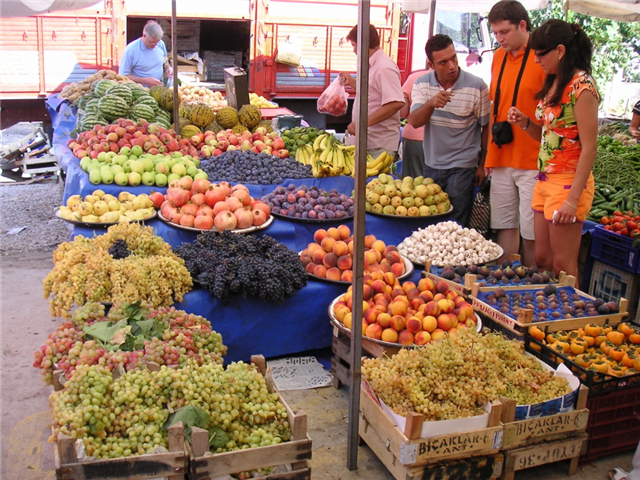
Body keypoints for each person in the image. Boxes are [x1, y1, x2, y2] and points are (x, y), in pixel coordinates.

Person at [507, 19, 599, 281]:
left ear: (560, 51)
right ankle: (548, 314)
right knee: (543, 259)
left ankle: (570, 320)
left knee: (563, 265)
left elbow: (590, 148)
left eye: (540, 53)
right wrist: (525, 122)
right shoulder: (555, 82)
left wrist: (572, 200)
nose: (536, 60)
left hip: (568, 184)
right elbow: (550, 136)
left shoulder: (583, 86)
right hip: (544, 180)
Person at [486, 0, 546, 266]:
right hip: (500, 156)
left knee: (532, 234)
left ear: (523, 25)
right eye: (495, 33)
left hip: (533, 159)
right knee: (505, 226)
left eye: (505, 32)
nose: (499, 39)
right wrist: (487, 155)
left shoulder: (542, 56)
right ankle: (504, 284)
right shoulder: (498, 56)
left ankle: (533, 285)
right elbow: (493, 107)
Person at [409, 34, 491, 226]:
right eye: (443, 62)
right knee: (431, 222)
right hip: (432, 164)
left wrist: (481, 165)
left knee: (455, 224)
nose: (452, 66)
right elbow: (414, 121)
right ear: (431, 64)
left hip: (463, 166)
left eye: (453, 57)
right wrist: (431, 103)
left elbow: (485, 127)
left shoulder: (477, 86)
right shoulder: (422, 83)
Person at [339, 24, 405, 159]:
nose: (354, 50)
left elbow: (396, 103)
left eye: (353, 45)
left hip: (379, 145)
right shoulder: (371, 65)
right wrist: (352, 82)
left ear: (363, 44)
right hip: (368, 142)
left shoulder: (384, 67)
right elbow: (372, 94)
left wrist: (362, 122)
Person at [120, 20, 171, 88]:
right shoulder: (130, 50)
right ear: (144, 35)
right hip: (139, 92)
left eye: (157, 42)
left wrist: (168, 68)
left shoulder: (160, 44)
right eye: (152, 42)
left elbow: (164, 59)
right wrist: (145, 81)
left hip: (158, 90)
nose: (155, 45)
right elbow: (123, 76)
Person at [399, 68, 429, 178]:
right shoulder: (452, 79)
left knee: (413, 184)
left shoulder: (413, 78)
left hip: (415, 138)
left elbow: (402, 112)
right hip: (444, 140)